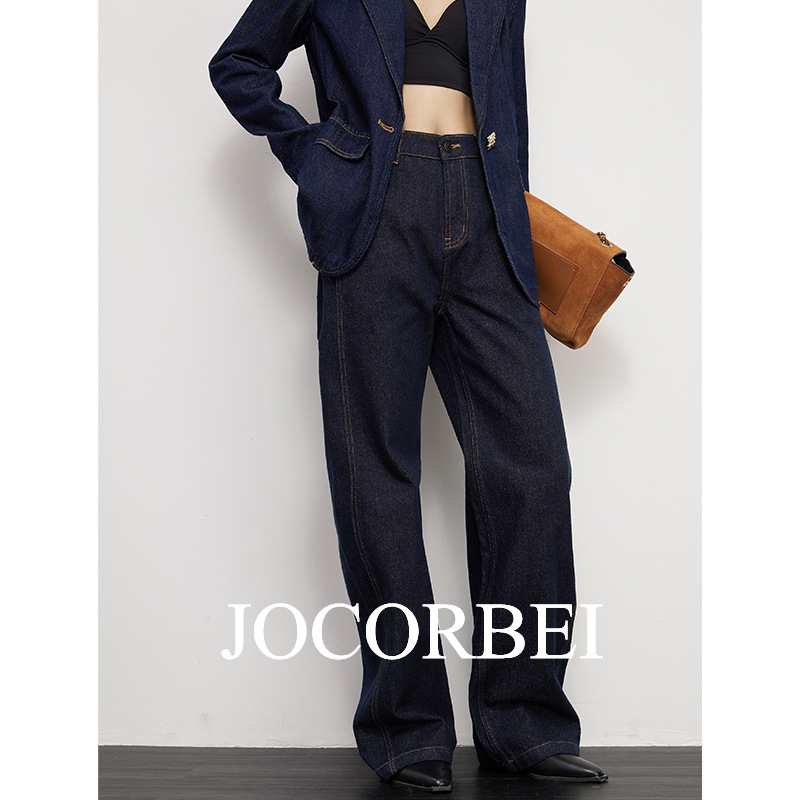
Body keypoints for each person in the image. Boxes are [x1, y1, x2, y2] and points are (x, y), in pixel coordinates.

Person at [209, 0, 607, 791]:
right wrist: (319, 157)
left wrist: (513, 213)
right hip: (374, 213)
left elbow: (511, 106)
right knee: (378, 472)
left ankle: (523, 722)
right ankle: (408, 729)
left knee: (531, 472)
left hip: (487, 214)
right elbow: (238, 63)